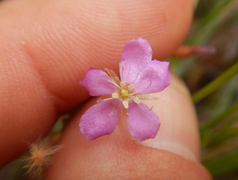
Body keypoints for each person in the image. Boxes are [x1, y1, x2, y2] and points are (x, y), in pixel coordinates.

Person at [0, 0, 212, 179]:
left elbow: (159, 71)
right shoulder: (100, 84)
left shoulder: (150, 80)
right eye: (123, 91)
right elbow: (90, 80)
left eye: (125, 92)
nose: (124, 92)